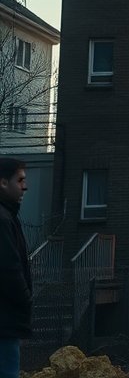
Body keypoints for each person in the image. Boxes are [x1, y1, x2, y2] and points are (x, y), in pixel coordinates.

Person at [0, 158, 31, 378]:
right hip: (5, 322)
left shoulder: (7, 216)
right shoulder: (3, 219)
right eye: (20, 180)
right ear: (3, 182)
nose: (25, 186)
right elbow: (10, 268)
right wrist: (26, 299)